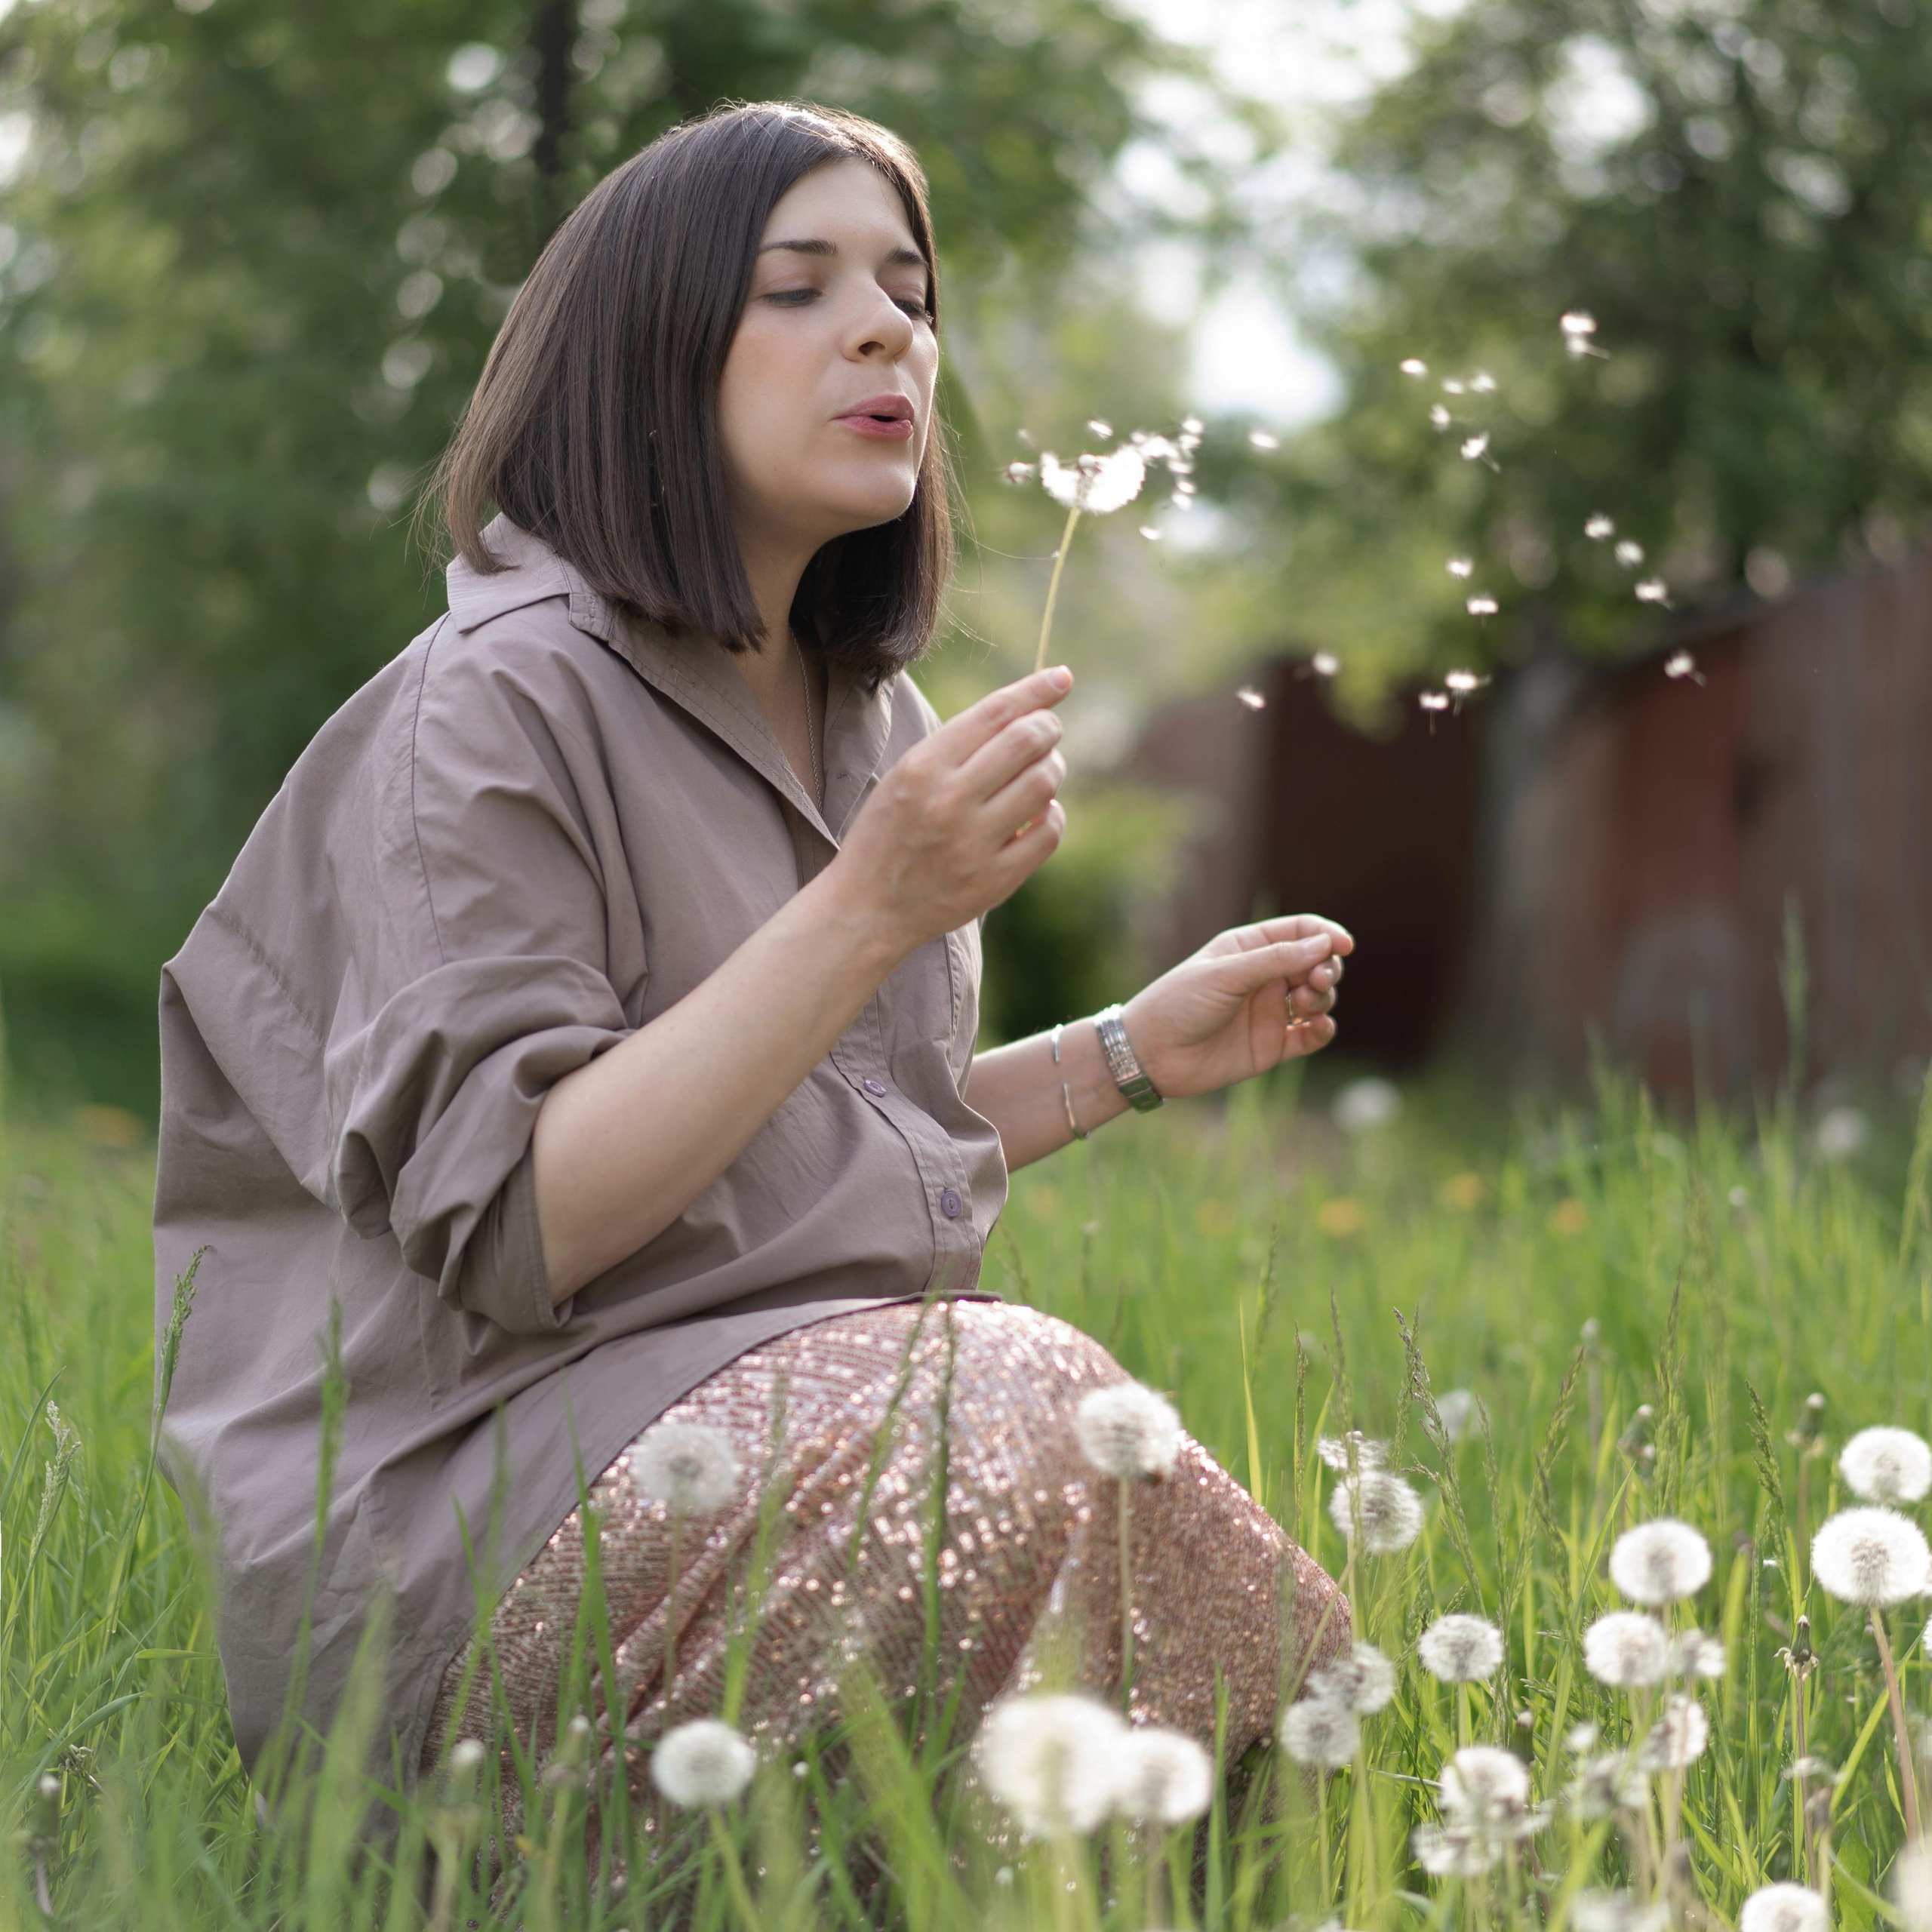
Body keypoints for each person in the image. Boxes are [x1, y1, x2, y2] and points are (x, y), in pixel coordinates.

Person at [150, 100, 1354, 1841]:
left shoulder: (874, 721)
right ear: (648, 357)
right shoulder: (487, 705)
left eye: (906, 289)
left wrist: (1124, 1048)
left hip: (783, 1447)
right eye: (798, 287)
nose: (884, 328)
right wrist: (869, 904)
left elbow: (816, 1134)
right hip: (476, 1541)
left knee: (1262, 1647)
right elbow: (531, 1218)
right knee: (1014, 1400)